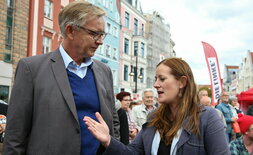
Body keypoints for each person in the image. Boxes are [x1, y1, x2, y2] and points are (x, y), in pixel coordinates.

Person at [3, 2, 119, 154]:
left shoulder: (104, 71)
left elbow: (113, 124)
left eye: (102, 34)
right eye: (93, 33)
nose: (100, 41)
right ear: (70, 30)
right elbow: (15, 134)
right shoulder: (31, 68)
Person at [83, 58, 230, 154]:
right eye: (155, 79)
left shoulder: (207, 117)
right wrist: (108, 140)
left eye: (162, 79)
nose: (155, 84)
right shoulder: (154, 117)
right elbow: (133, 153)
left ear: (182, 82)